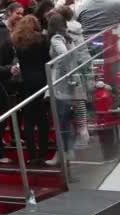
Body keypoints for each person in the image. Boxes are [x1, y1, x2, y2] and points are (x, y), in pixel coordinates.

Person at [0, 2, 25, 164]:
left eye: (22, 13)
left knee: (10, 113)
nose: (20, 17)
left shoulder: (13, 32)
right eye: (18, 13)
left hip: (9, 82)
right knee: (1, 118)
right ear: (9, 13)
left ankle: (11, 140)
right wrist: (11, 69)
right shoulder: (1, 33)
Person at [10, 15, 50, 166]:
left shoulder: (17, 41)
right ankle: (43, 153)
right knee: (43, 119)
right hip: (42, 80)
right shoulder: (42, 39)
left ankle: (32, 154)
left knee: (28, 119)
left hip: (25, 82)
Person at [46, 14, 78, 166]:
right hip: (68, 83)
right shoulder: (69, 38)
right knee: (65, 121)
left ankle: (62, 153)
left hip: (59, 83)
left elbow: (64, 55)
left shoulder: (56, 39)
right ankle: (67, 152)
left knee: (60, 122)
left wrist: (62, 69)